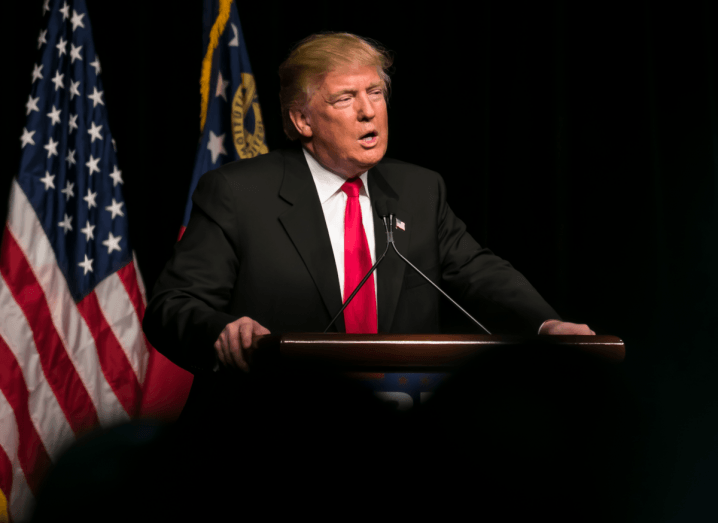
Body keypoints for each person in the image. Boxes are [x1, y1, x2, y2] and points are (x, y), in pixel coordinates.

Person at [142, 32, 594, 416]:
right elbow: (172, 306)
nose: (368, 111)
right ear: (302, 120)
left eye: (375, 93)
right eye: (345, 98)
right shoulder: (239, 193)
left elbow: (478, 271)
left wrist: (546, 326)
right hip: (273, 431)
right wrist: (222, 330)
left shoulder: (419, 189)